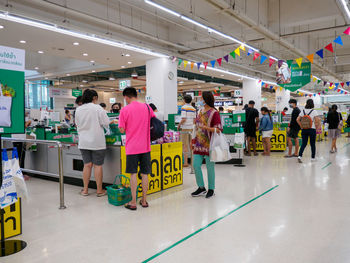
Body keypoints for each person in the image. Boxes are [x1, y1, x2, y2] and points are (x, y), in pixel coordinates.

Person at [118, 87, 155, 210]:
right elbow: (153, 121)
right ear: (136, 95)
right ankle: (144, 201)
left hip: (132, 147)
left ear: (126, 97)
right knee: (145, 174)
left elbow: (122, 129)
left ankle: (133, 202)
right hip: (145, 146)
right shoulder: (147, 107)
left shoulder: (124, 110)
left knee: (133, 174)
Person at [75, 89, 111, 197]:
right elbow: (106, 122)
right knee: (97, 166)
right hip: (97, 141)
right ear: (94, 98)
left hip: (83, 141)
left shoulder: (78, 109)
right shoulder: (98, 108)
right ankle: (99, 190)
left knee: (87, 165)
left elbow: (77, 124)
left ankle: (85, 190)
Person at [191, 92, 222, 199]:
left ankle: (211, 189)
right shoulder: (199, 111)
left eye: (201, 98)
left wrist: (206, 128)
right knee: (196, 165)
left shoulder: (214, 113)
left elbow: (218, 129)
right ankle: (201, 187)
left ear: (206, 99)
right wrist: (193, 140)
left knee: (210, 167)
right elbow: (197, 127)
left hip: (210, 144)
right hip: (199, 143)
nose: (200, 99)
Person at [178, 95, 196, 167]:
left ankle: (185, 163)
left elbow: (183, 119)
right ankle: (193, 162)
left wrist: (179, 125)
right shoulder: (193, 109)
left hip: (185, 128)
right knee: (191, 145)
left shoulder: (184, 108)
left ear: (184, 100)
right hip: (192, 128)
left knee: (184, 145)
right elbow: (194, 120)